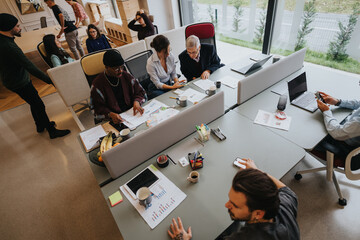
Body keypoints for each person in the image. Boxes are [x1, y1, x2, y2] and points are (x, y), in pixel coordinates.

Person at [168, 158, 300, 240]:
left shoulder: (243, 238)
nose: (226, 205)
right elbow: (285, 189)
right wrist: (256, 172)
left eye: (234, 205)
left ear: (258, 214)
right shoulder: (286, 202)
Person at [0, 13, 71, 139]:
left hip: (13, 79)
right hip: (18, 82)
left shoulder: (4, 40)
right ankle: (52, 131)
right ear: (8, 28)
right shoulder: (9, 46)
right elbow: (30, 67)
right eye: (17, 26)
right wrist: (51, 80)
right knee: (38, 104)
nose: (20, 27)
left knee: (33, 102)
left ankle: (40, 125)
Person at [90, 50, 146, 124]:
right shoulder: (97, 85)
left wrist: (137, 101)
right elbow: (96, 109)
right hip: (114, 120)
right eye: (116, 69)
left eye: (122, 67)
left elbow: (141, 92)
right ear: (106, 67)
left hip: (132, 114)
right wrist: (110, 114)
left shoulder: (126, 76)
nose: (120, 71)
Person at [313, 92, 360, 170]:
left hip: (343, 145)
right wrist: (338, 102)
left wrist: (326, 111)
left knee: (307, 131)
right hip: (347, 131)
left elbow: (337, 133)